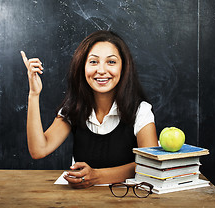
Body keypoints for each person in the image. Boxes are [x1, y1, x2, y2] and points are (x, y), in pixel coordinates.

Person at [21, 30, 158, 189]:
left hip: (128, 201)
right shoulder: (73, 109)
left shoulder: (140, 110)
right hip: (82, 201)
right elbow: (39, 150)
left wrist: (97, 176)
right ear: (82, 67)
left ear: (123, 67)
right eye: (93, 62)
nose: (101, 70)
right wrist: (34, 94)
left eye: (111, 62)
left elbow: (150, 166)